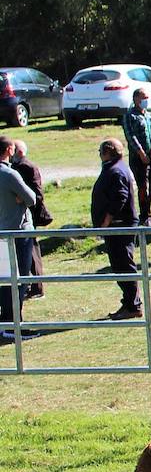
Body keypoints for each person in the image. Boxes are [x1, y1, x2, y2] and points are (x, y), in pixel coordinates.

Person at [89, 138, 141, 321]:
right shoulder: (115, 168)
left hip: (119, 225)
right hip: (116, 225)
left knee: (123, 265)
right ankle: (128, 302)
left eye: (100, 151)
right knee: (119, 265)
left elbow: (120, 197)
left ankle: (133, 305)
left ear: (108, 152)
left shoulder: (117, 170)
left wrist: (106, 220)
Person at [0, 135, 36, 337]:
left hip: (2, 232)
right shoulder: (9, 174)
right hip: (18, 232)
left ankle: (5, 323)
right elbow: (31, 199)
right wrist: (19, 198)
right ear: (8, 151)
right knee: (19, 279)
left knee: (5, 279)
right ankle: (14, 324)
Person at [9, 140, 48, 299]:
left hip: (28, 215)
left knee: (31, 251)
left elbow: (36, 193)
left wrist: (22, 199)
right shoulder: (21, 166)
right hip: (25, 215)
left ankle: (37, 287)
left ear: (19, 152)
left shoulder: (25, 167)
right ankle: (33, 285)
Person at [121, 88, 151, 226]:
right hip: (138, 157)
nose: (146, 100)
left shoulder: (147, 115)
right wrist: (141, 152)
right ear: (136, 99)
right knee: (143, 187)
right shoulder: (129, 116)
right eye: (144, 97)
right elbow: (131, 136)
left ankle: (147, 211)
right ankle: (145, 216)